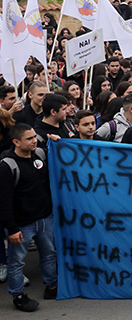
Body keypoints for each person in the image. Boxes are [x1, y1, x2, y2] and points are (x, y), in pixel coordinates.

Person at [0, 124, 56, 312]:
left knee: (49, 254)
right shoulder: (8, 166)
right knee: (17, 262)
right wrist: (12, 228)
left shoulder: (39, 154)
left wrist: (58, 143)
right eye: (29, 138)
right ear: (16, 142)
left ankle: (51, 286)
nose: (34, 141)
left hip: (45, 218)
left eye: (34, 137)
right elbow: (4, 201)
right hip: (22, 224)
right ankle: (18, 295)